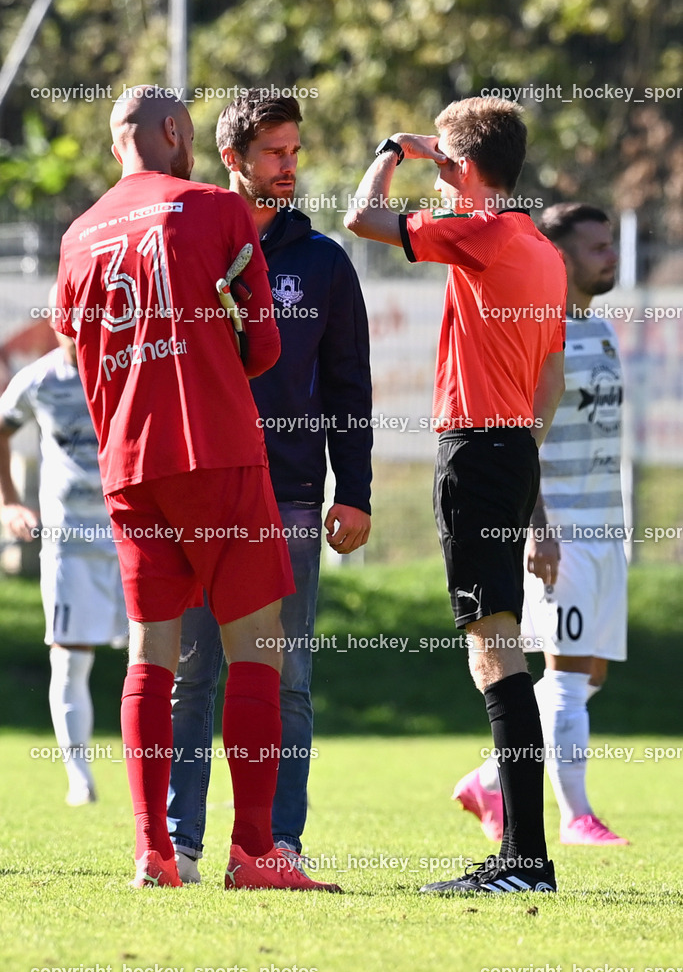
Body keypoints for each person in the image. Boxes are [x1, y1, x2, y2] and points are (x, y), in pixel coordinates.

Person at [54, 85, 338, 891]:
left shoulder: (77, 237)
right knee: (258, 653)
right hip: (215, 450)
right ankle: (254, 856)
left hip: (130, 469)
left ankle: (154, 853)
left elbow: (82, 364)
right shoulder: (214, 208)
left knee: (153, 658)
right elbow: (263, 349)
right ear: (176, 132)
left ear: (117, 146)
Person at [344, 97, 566, 894]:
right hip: (510, 456)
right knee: (499, 648)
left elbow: (361, 219)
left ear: (464, 167)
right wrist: (524, 476)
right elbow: (551, 381)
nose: (436, 181)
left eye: (446, 165)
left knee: (493, 653)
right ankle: (523, 856)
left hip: (475, 453)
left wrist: (393, 151)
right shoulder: (540, 247)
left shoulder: (484, 232)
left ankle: (523, 861)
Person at [167, 90, 373, 886]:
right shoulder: (185, 244)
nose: (290, 167)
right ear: (233, 160)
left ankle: (275, 845)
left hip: (287, 498)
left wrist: (350, 490)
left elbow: (349, 389)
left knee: (288, 681)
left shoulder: (322, 260)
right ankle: (181, 844)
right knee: (194, 673)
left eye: (295, 151)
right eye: (275, 154)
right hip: (193, 491)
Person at [453, 203, 629, 847]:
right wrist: (538, 523)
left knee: (587, 676)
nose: (610, 257)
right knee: (568, 676)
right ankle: (576, 816)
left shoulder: (600, 330)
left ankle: (490, 780)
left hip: (606, 530)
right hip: (562, 530)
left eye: (612, 244)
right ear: (560, 258)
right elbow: (524, 435)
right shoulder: (543, 331)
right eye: (596, 247)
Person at [0, 319, 127, 807]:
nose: (74, 331)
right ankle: (81, 780)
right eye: (65, 321)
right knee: (70, 658)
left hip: (132, 538)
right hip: (68, 544)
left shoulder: (129, 370)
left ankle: (165, 784)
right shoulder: (38, 380)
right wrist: (10, 501)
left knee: (162, 657)